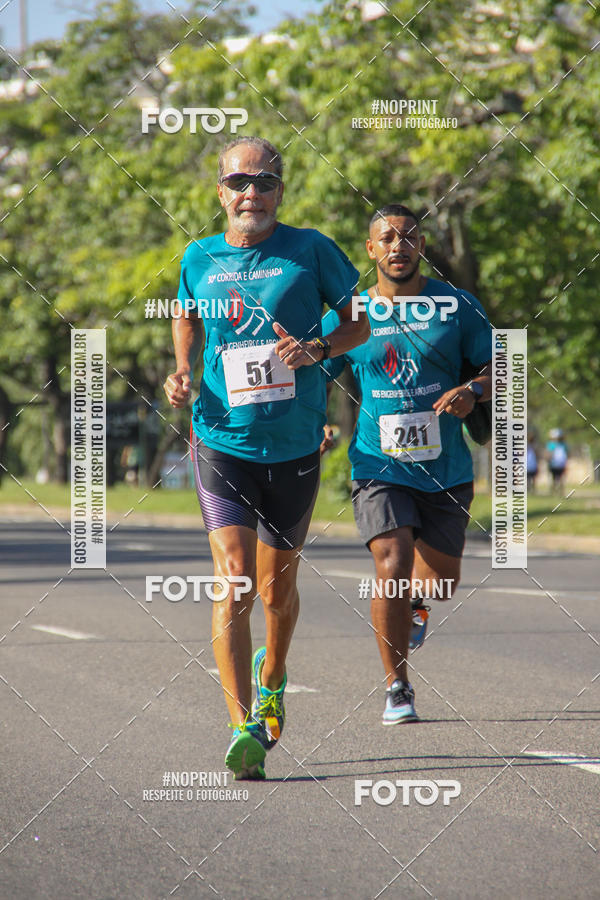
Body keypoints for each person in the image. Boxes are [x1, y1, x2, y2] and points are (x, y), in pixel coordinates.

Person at [163, 136, 369, 779]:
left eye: (265, 182)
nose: (251, 193)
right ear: (220, 190)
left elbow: (360, 324)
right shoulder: (198, 257)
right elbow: (185, 316)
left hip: (295, 441)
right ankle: (241, 726)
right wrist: (181, 371)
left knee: (278, 589)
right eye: (239, 182)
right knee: (235, 579)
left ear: (282, 190)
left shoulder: (312, 250)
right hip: (222, 440)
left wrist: (319, 349)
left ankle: (273, 678)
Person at [322, 204, 492, 725]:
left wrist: (473, 390)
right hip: (379, 463)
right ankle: (398, 686)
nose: (398, 246)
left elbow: (503, 365)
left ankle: (417, 605)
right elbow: (312, 367)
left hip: (446, 468)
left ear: (422, 246)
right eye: (387, 238)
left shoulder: (456, 305)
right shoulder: (351, 313)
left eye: (409, 237)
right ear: (371, 249)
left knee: (439, 583)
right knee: (391, 564)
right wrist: (316, 423)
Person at [546, 428, 568, 495]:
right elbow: (548, 454)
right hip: (553, 464)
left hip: (561, 464)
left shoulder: (563, 445)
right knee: (553, 479)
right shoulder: (551, 444)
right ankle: (553, 491)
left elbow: (567, 454)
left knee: (561, 479)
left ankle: (560, 492)